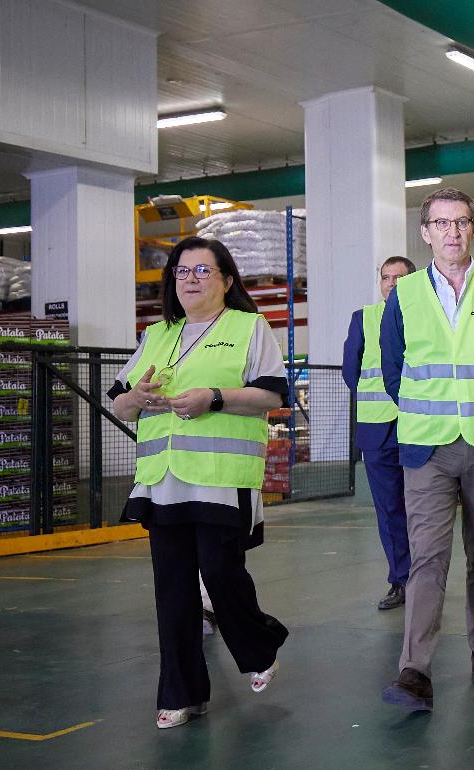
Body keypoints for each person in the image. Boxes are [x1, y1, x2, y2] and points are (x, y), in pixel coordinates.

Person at [110, 236, 290, 730]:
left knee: (218, 572)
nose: (189, 280)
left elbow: (270, 396)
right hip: (162, 480)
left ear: (227, 280)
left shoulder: (249, 328)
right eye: (181, 271)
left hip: (220, 479)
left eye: (202, 271)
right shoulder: (157, 333)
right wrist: (138, 396)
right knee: (172, 591)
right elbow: (119, 402)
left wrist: (214, 396)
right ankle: (181, 692)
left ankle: (257, 643)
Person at [378, 188, 474, 713]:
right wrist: (431, 414)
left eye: (461, 223)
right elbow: (395, 371)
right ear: (425, 233)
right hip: (426, 450)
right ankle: (414, 669)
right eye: (441, 224)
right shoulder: (406, 294)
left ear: (473, 229)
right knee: (428, 559)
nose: (452, 233)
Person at [342, 255, 416, 610]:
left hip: (418, 426)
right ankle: (401, 580)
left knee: (424, 508)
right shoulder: (364, 319)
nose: (390, 284)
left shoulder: (425, 317)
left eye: (399, 278)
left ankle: (427, 580)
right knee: (389, 509)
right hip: (377, 430)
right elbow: (350, 371)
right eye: (386, 278)